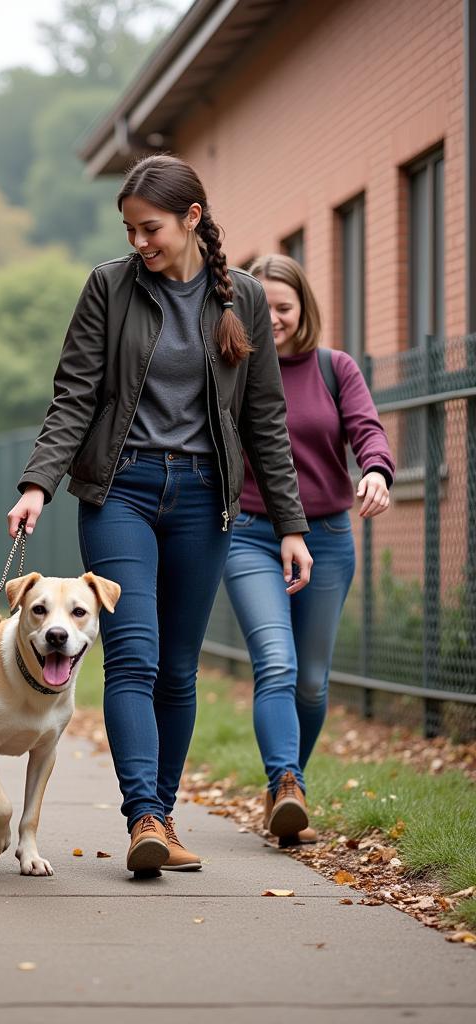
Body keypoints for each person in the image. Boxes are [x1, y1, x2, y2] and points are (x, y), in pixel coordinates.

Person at [6, 154, 312, 876]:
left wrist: (292, 524)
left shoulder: (241, 300)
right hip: (123, 492)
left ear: (192, 220)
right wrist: (37, 485)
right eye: (130, 230)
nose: (139, 241)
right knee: (134, 656)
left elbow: (266, 419)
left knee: (178, 669)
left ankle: (163, 817)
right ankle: (141, 811)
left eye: (151, 229)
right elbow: (75, 395)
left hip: (206, 498)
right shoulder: (109, 289)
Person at [223, 255, 393, 845]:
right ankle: (288, 781)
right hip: (249, 534)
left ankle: (283, 791)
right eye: (261, 307)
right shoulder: (231, 368)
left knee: (313, 683)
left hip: (326, 538)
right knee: (277, 661)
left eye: (284, 308)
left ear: (304, 309)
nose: (273, 319)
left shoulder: (333, 367)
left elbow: (367, 428)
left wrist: (376, 469)